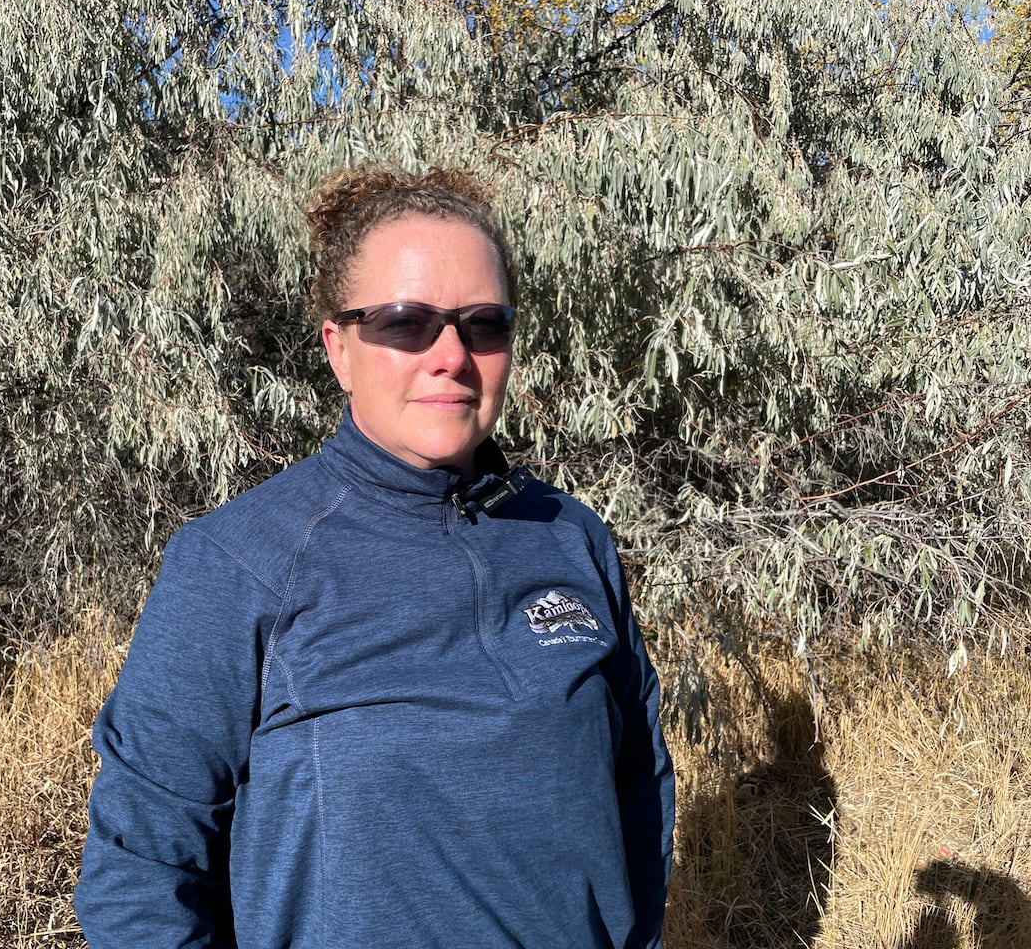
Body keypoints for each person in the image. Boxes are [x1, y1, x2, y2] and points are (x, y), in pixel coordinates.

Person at [74, 164, 676, 948]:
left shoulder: (569, 536)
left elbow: (638, 790)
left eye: (484, 324)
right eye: (405, 322)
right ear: (340, 349)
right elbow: (140, 870)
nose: (451, 355)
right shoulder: (238, 563)